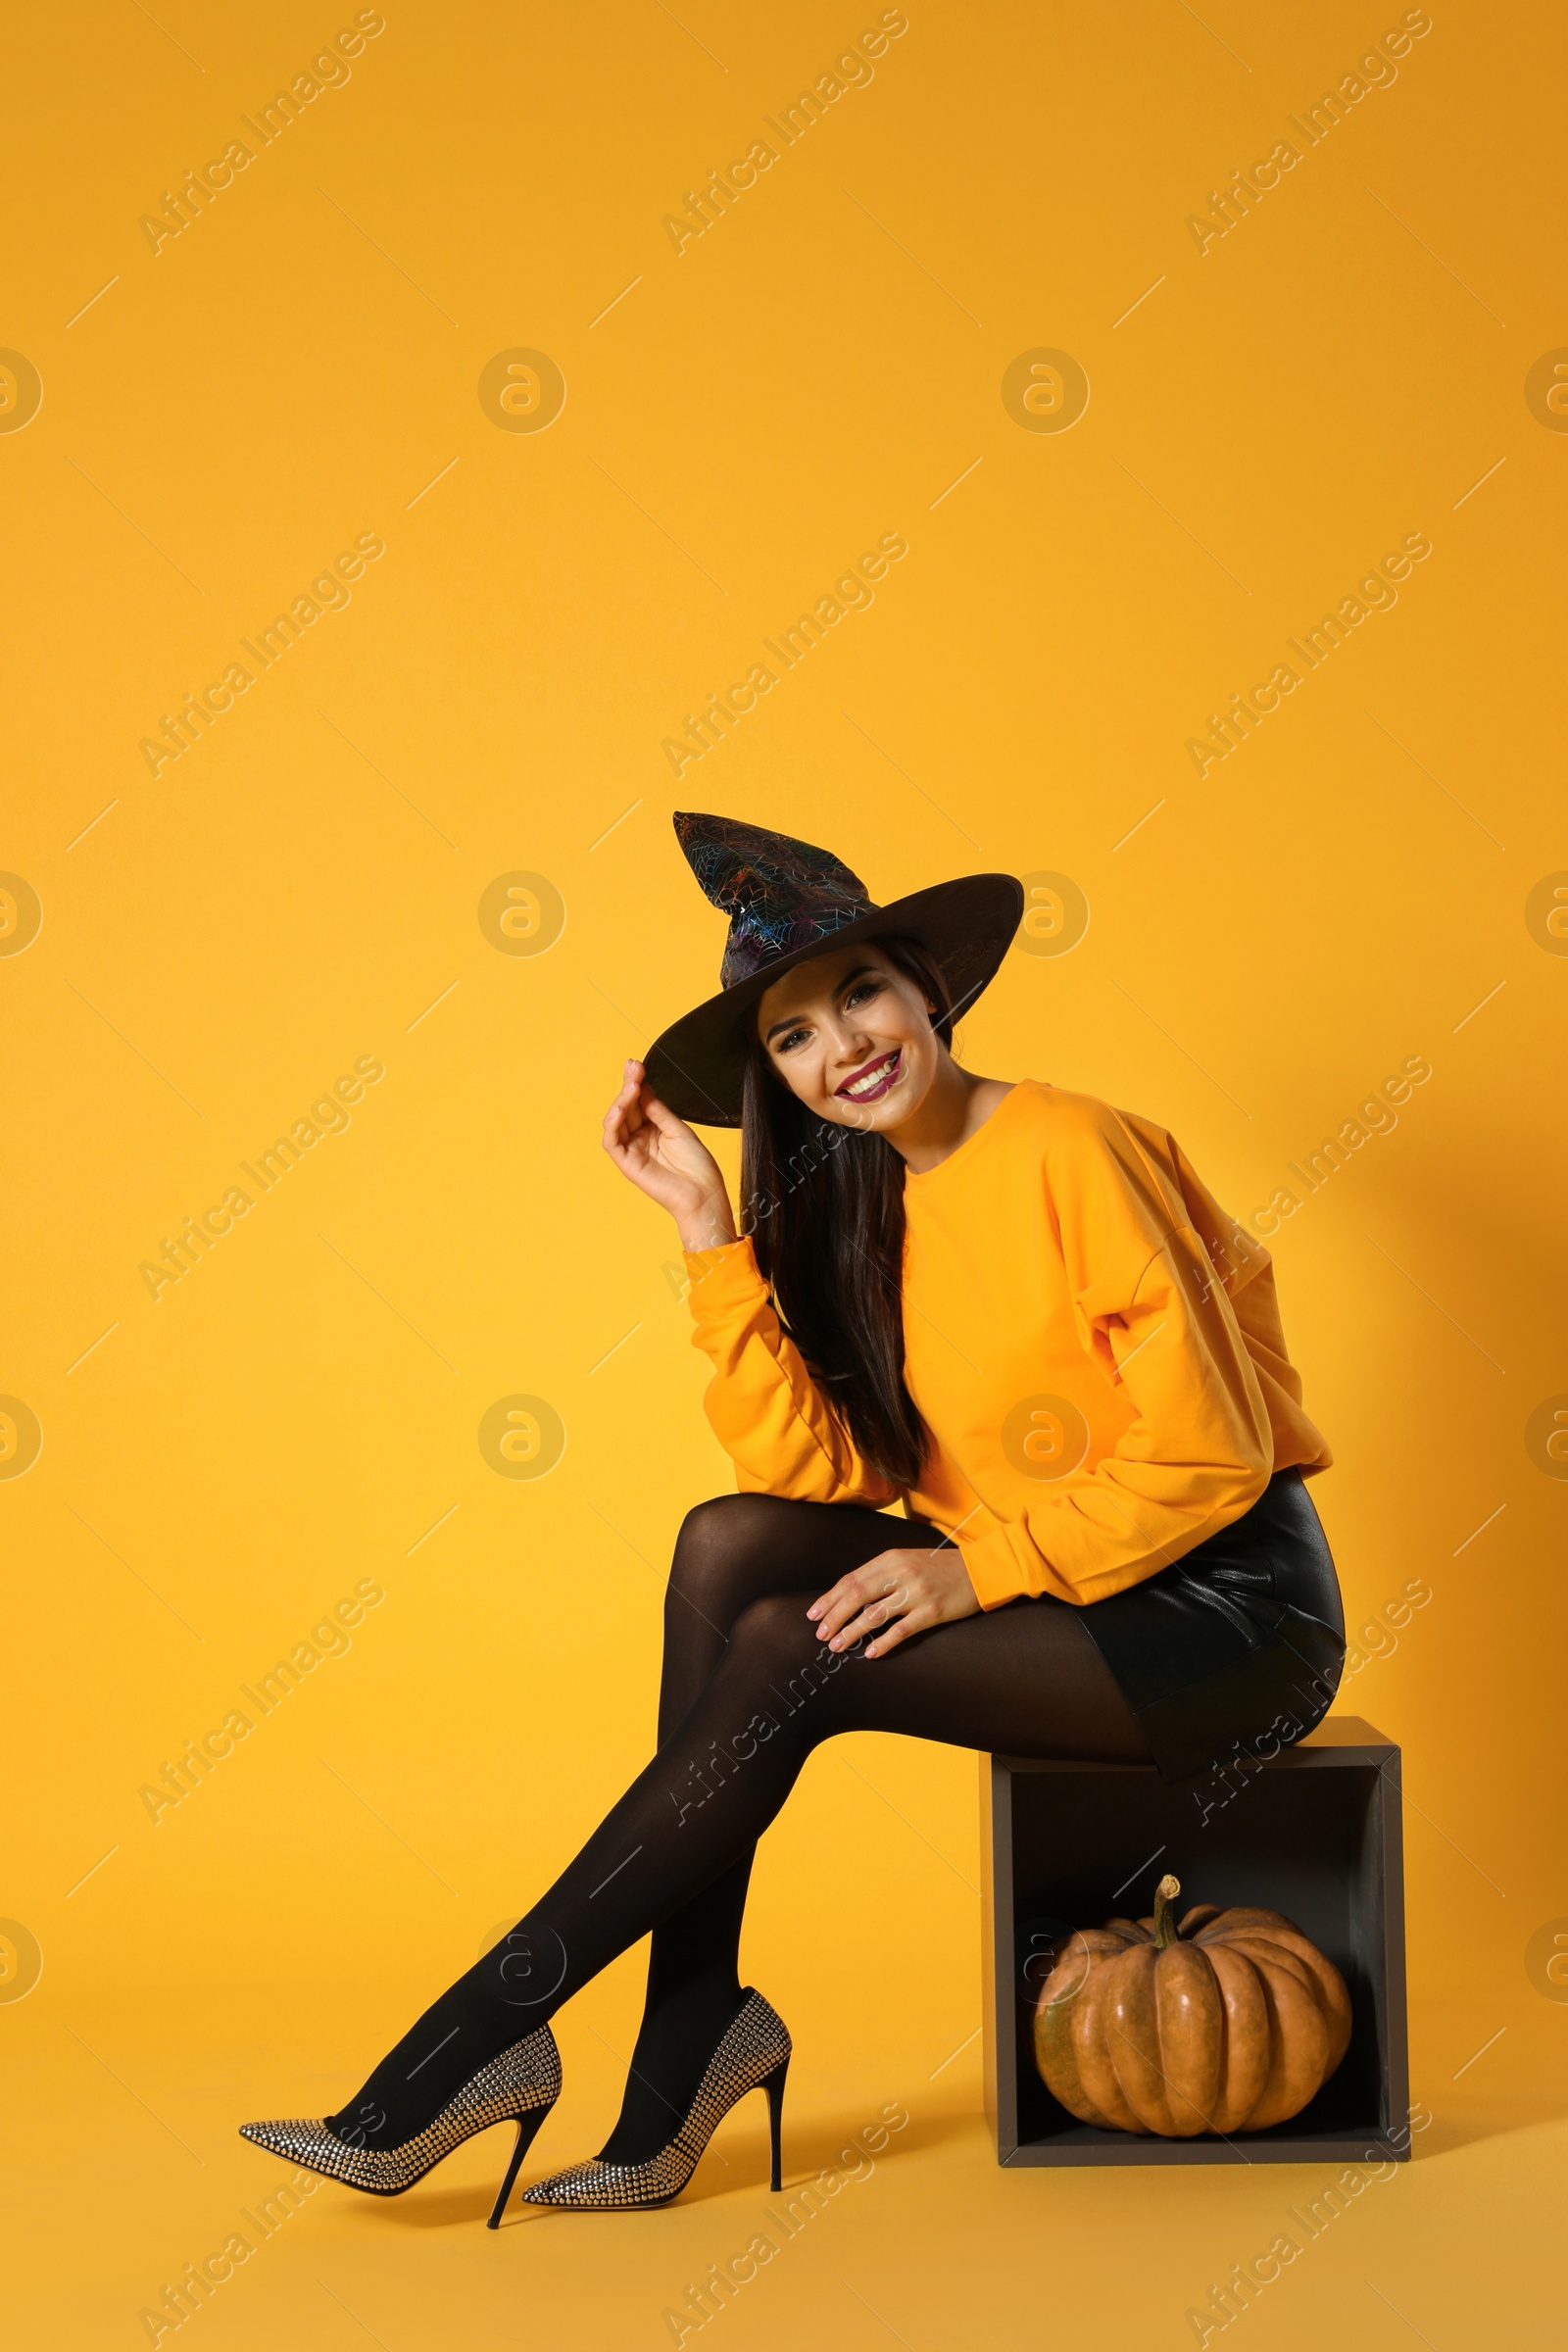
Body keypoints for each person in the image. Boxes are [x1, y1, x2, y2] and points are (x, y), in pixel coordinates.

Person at [240, 811, 1344, 2220]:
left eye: (862, 997)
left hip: (1224, 1612)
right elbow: (817, 1482)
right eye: (794, 1040)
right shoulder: (864, 1199)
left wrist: (978, 1571)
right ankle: (684, 2035)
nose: (845, 1051)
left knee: (795, 1651)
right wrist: (710, 1233)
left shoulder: (1073, 1145)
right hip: (1066, 1582)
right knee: (729, 1545)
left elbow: (1214, 1456)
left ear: (926, 990)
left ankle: (480, 2039)